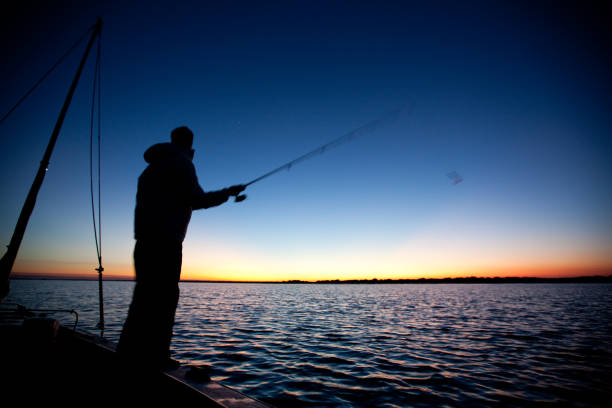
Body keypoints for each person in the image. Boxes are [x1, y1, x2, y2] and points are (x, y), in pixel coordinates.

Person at [117, 126, 245, 369]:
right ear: (189, 144)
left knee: (142, 302)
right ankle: (156, 356)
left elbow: (182, 199)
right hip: (166, 243)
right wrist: (228, 193)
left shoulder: (150, 169)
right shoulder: (182, 164)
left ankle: (126, 355)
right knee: (164, 300)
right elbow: (196, 200)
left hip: (143, 242)